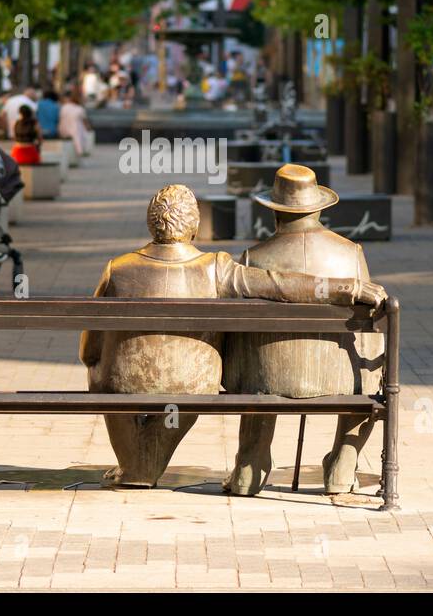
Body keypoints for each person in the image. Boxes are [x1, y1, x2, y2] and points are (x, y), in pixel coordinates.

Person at [80, 183, 387, 487]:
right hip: (194, 384)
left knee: (107, 381)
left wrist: (95, 365)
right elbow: (278, 283)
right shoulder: (216, 268)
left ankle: (143, 469)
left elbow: (90, 346)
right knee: (181, 401)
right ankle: (141, 468)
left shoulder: (117, 267)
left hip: (122, 383)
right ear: (195, 227)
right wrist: (349, 287)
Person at [223, 165, 387, 496]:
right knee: (371, 355)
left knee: (256, 359)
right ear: (318, 208)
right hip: (343, 378)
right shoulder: (351, 254)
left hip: (267, 378)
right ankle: (343, 464)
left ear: (275, 212)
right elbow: (370, 326)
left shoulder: (252, 257)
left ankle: (250, 465)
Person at [57, 89, 92, 157]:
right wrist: (88, 128)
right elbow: (85, 122)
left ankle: (79, 151)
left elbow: (60, 119)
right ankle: (80, 151)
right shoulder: (80, 109)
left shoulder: (63, 107)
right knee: (78, 131)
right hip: (76, 130)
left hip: (63, 129)